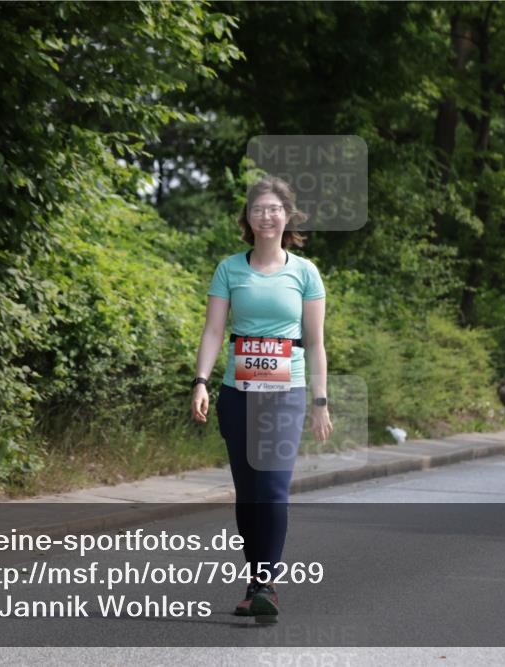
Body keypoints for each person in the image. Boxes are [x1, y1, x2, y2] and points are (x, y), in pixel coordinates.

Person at [190, 174, 332, 621]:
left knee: (272, 488)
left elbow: (315, 341)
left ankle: (267, 583)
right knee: (248, 492)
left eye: (273, 209)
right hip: (237, 392)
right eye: (257, 209)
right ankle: (254, 582)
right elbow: (214, 330)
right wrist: (200, 380)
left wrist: (320, 401)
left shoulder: (305, 272)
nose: (265, 216)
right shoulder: (230, 268)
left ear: (287, 216)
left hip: (285, 394)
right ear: (247, 219)